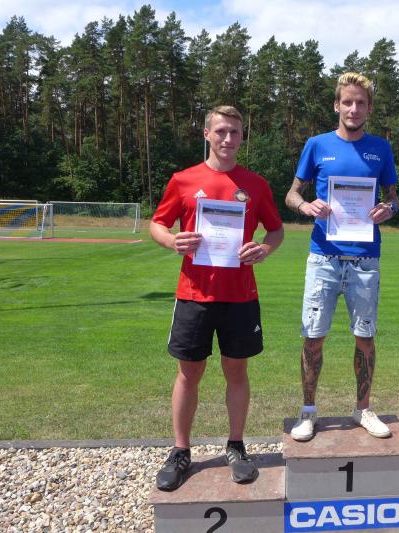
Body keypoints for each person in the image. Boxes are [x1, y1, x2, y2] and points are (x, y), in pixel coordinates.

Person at [150, 105, 284, 489]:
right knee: (188, 373)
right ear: (207, 133)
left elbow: (276, 231)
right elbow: (158, 224)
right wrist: (172, 241)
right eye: (221, 131)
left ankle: (236, 446)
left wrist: (264, 248)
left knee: (236, 371)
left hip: (240, 296)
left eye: (235, 132)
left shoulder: (256, 184)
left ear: (242, 137)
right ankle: (180, 451)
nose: (228, 138)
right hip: (194, 294)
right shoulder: (184, 180)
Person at [285, 72, 399, 442]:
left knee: (365, 337)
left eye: (360, 103)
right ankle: (308, 411)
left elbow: (394, 198)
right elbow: (291, 193)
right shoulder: (317, 145)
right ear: (337, 105)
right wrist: (305, 206)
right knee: (313, 336)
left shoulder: (381, 149)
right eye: (347, 102)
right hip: (324, 257)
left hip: (365, 259)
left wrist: (388, 209)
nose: (353, 108)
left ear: (369, 108)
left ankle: (363, 408)